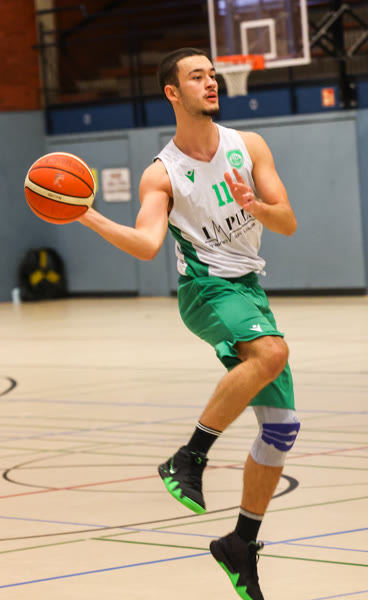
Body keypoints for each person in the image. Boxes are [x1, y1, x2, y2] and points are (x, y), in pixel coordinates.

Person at [77, 48, 300, 600]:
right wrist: (87, 214)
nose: (210, 82)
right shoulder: (163, 173)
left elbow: (288, 223)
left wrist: (256, 205)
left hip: (249, 288)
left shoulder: (248, 146)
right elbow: (146, 244)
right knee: (272, 353)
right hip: (206, 289)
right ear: (172, 93)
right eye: (196, 76)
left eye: (212, 74)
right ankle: (189, 456)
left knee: (281, 429)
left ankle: (240, 542)